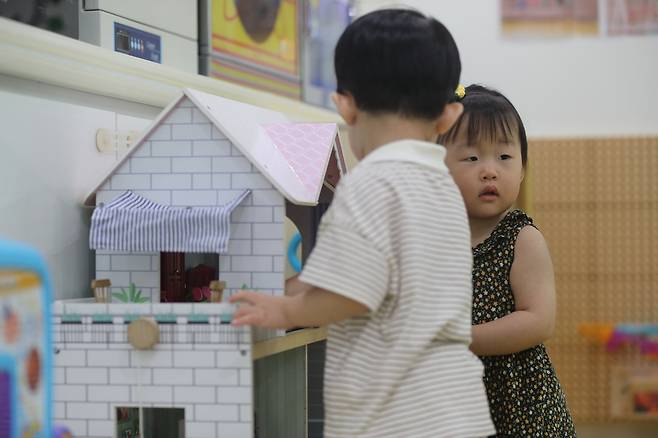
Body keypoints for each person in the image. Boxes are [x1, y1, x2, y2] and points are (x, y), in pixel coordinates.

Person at [230, 8, 494, 438]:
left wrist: (287, 307)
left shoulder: (370, 183)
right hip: (457, 408)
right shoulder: (443, 187)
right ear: (448, 117)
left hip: (394, 417)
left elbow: (349, 293)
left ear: (345, 105)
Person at [438, 84, 576, 436]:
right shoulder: (434, 240)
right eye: (471, 158)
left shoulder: (521, 239)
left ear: (523, 168)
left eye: (504, 157)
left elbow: (539, 321)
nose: (489, 171)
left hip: (520, 409)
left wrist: (461, 337)